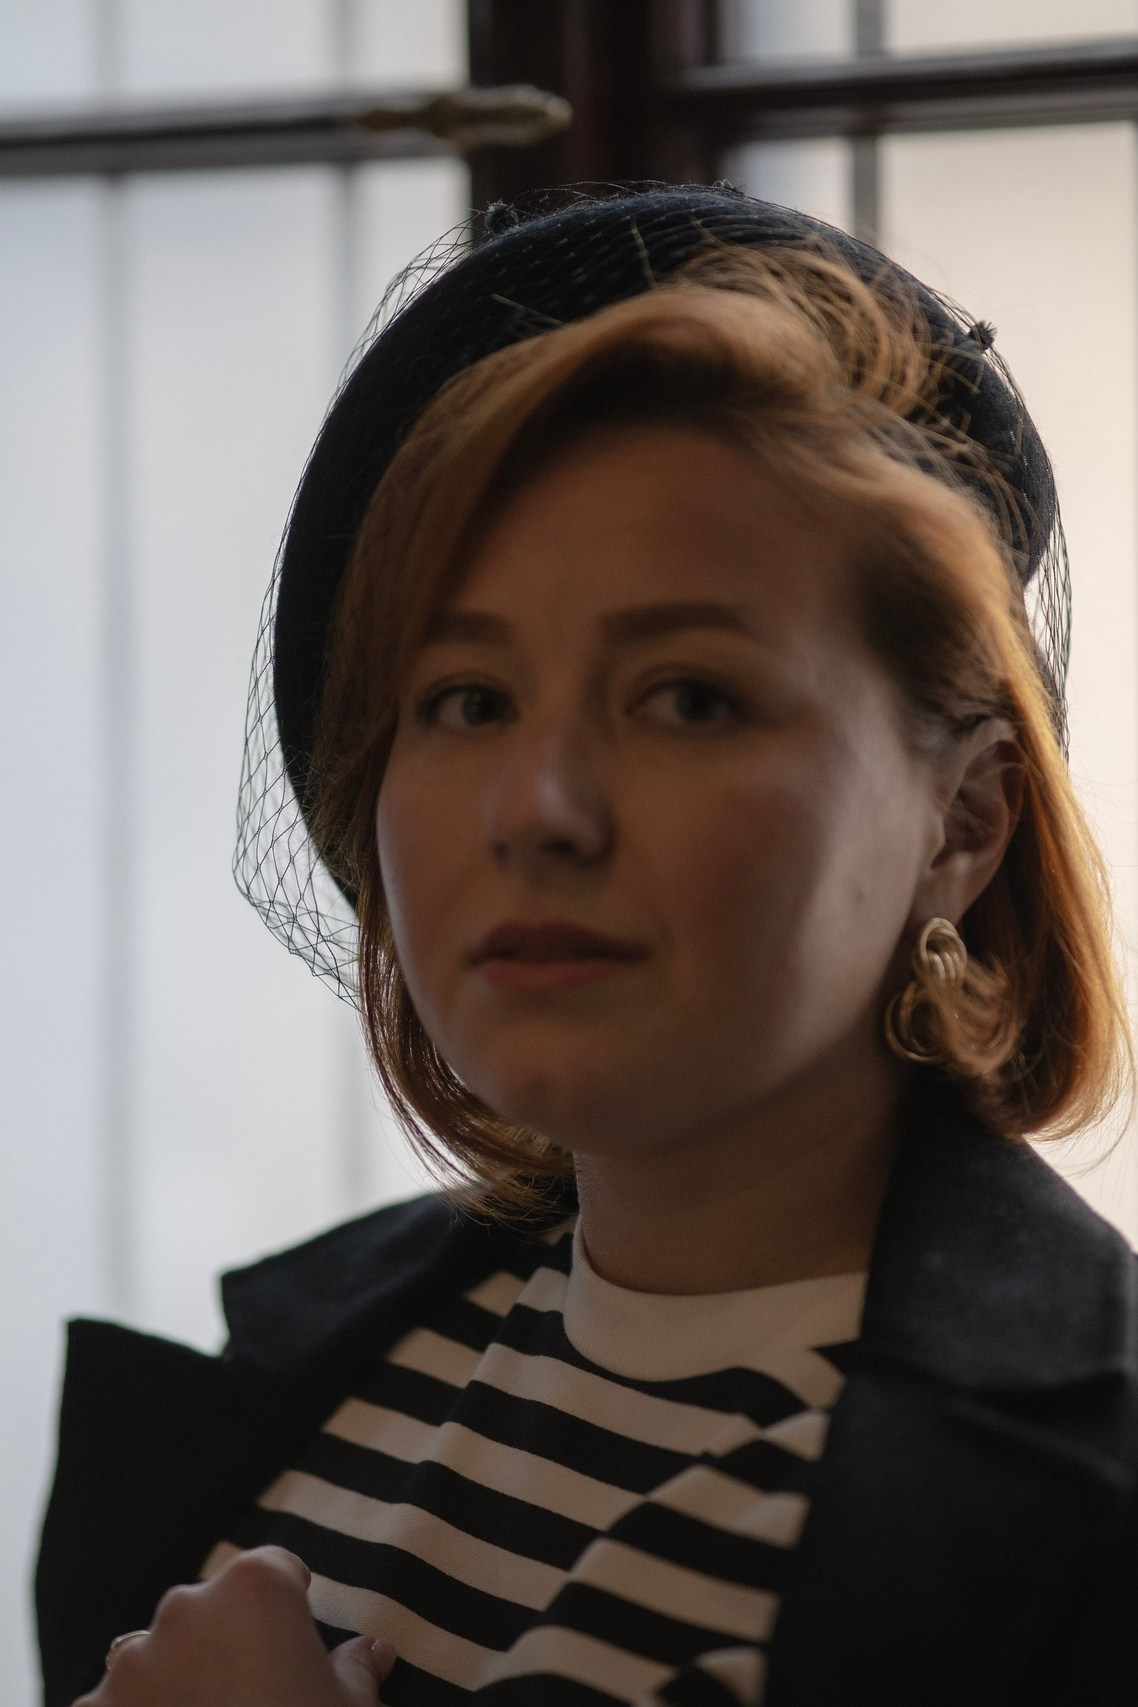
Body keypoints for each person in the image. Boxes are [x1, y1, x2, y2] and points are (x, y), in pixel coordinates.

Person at [37, 186, 1138, 1707]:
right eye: (466, 701)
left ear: (962, 821)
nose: (535, 812)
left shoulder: (1075, 1524)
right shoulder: (297, 1380)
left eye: (687, 697)